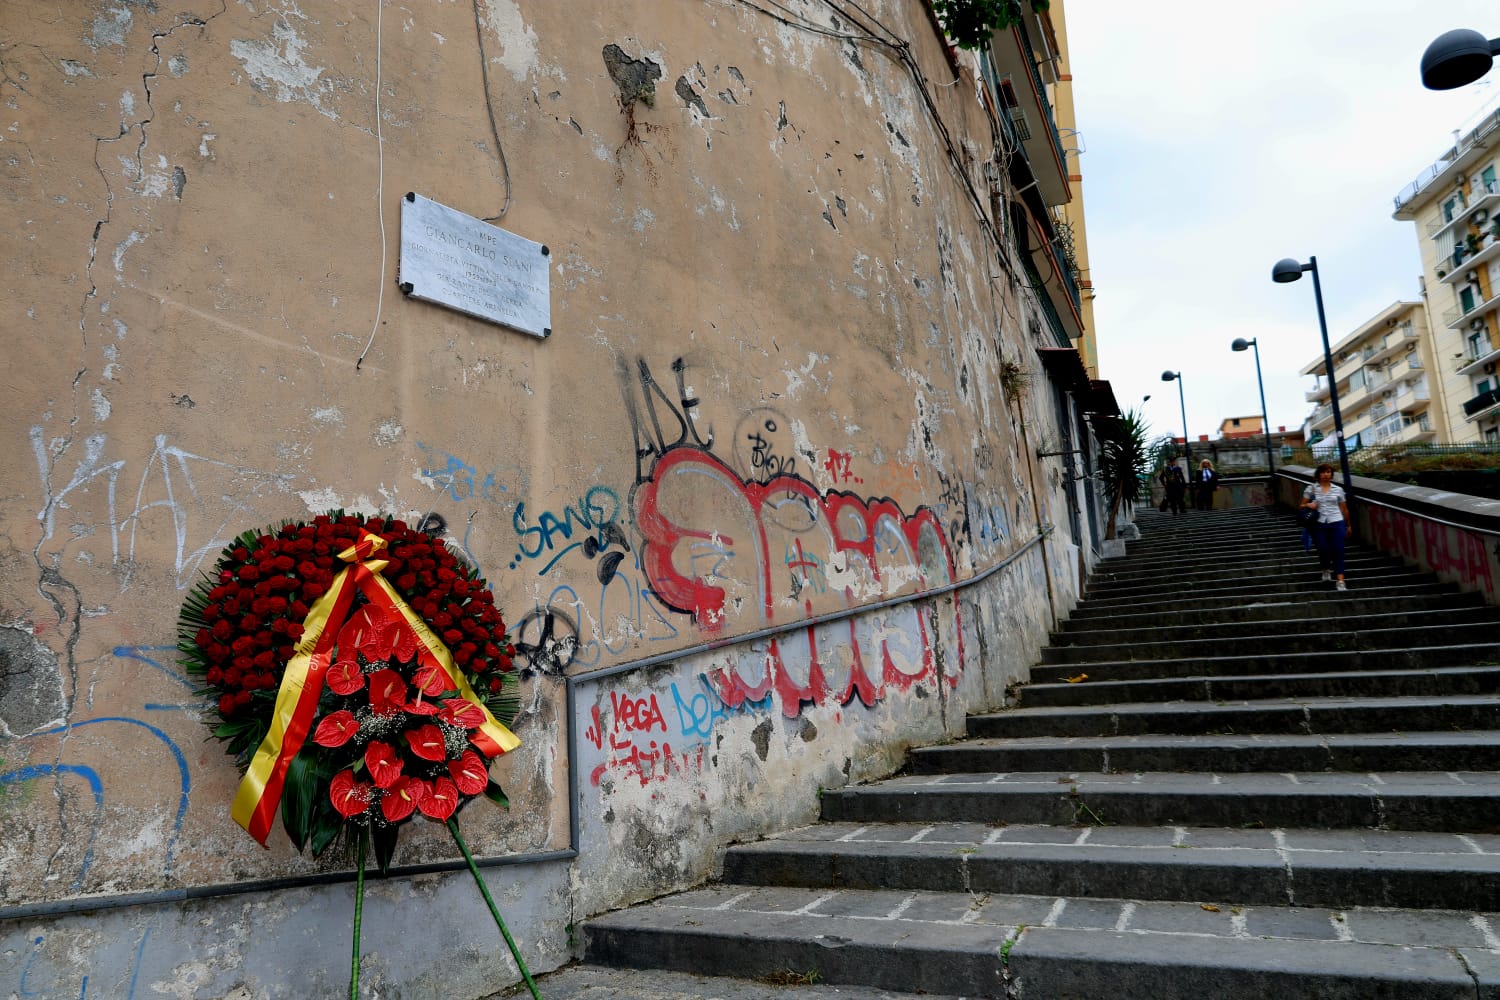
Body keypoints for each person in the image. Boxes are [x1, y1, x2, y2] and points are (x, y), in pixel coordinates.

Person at [1300, 463, 1351, 591]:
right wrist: (1309, 505)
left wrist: (1348, 525)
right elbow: (1301, 506)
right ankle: (1326, 569)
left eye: (1328, 472)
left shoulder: (1338, 490)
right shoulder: (1311, 488)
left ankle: (1340, 581)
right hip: (1319, 523)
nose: (1326, 474)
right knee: (1323, 550)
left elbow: (1344, 509)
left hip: (1337, 522)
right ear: (1318, 474)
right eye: (1323, 472)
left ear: (1331, 475)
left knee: (1338, 551)